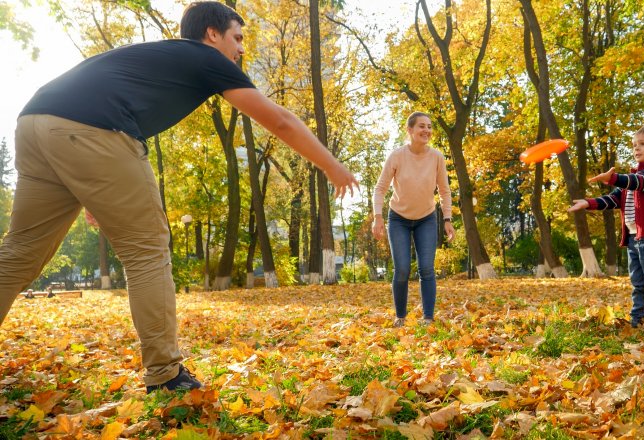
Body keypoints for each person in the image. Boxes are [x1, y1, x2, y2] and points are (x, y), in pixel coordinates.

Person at [0, 1, 357, 393]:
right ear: (212, 34)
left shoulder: (162, 58)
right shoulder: (205, 57)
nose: (241, 49)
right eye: (237, 38)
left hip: (34, 122)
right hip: (90, 129)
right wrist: (332, 165)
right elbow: (280, 120)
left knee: (19, 253)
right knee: (147, 249)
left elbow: (84, 104)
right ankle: (166, 375)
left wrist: (87, 189)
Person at [568, 125, 644, 327]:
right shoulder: (630, 179)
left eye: (642, 144)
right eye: (634, 145)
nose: (636, 148)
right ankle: (637, 319)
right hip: (635, 239)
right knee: (638, 283)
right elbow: (613, 199)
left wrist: (615, 178)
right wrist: (588, 203)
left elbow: (640, 183)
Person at [372, 112, 454, 328]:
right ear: (409, 130)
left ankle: (428, 318)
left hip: (426, 218)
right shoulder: (397, 156)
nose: (426, 130)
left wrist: (447, 218)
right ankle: (400, 316)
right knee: (402, 269)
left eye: (429, 126)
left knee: (426, 268)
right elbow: (380, 188)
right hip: (398, 218)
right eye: (421, 126)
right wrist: (377, 217)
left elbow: (445, 191)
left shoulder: (436, 157)